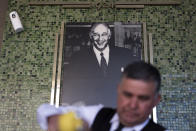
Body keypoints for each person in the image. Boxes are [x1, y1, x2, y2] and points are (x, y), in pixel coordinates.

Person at [37, 61, 166, 131]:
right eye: (127, 95)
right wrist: (55, 120)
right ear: (118, 90)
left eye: (143, 98)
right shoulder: (98, 115)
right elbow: (45, 110)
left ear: (156, 101)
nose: (132, 105)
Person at [62, 23, 139, 107]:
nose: (100, 39)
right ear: (91, 36)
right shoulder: (78, 57)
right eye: (96, 35)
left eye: (104, 35)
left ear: (109, 36)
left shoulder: (125, 54)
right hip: (89, 110)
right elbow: (70, 85)